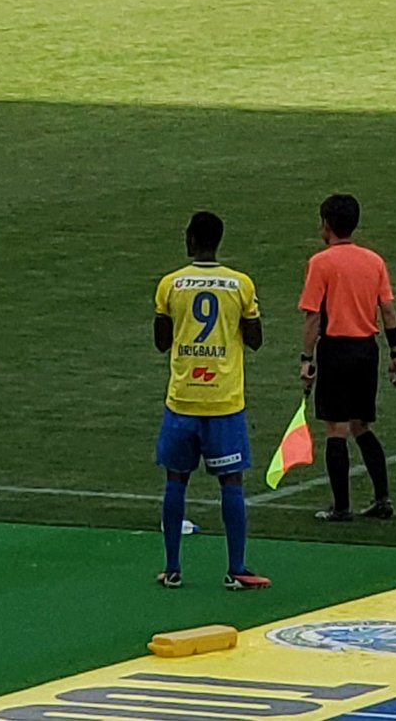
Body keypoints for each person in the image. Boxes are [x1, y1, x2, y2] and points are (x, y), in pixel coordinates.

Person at [153, 211, 269, 591]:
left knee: (176, 480)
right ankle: (236, 568)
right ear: (219, 240)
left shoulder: (170, 284)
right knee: (231, 483)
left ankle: (172, 568)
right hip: (224, 401)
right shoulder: (240, 284)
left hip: (182, 399)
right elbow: (254, 339)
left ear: (189, 240)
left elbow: (161, 341)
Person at [299, 194, 396, 521]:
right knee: (362, 425)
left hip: (336, 350)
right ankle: (382, 498)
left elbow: (314, 316)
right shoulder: (374, 261)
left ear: (327, 225)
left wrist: (306, 358)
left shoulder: (321, 263)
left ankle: (341, 506)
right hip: (366, 350)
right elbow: (387, 310)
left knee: (337, 428)